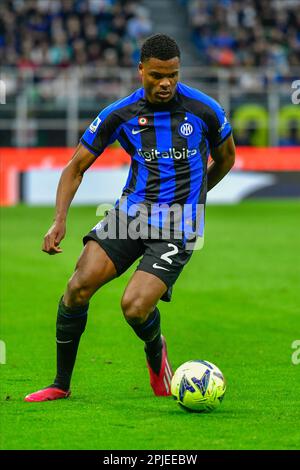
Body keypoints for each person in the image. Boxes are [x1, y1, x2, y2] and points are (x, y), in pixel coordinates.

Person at [24, 34, 235, 402]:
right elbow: (75, 168)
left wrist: (195, 199)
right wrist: (59, 220)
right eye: (156, 75)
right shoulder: (119, 114)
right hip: (130, 215)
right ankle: (61, 384)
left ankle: (156, 351)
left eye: (172, 74)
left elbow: (227, 157)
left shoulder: (205, 110)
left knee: (135, 307)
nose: (166, 82)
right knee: (77, 287)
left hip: (176, 224)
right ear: (141, 70)